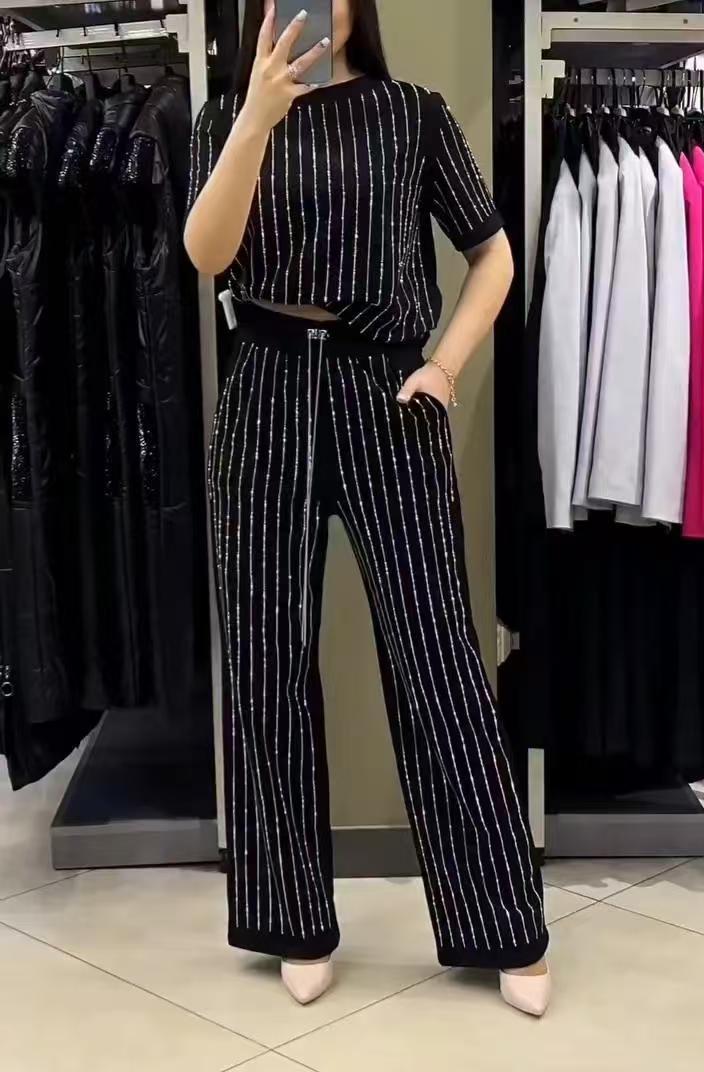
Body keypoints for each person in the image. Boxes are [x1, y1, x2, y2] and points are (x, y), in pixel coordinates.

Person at [184, 0, 550, 1017]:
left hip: (386, 388)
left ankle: (502, 922)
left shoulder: (413, 113)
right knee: (264, 658)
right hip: (264, 385)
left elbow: (492, 253)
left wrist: (445, 364)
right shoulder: (228, 114)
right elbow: (207, 254)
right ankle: (292, 917)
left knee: (438, 656)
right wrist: (257, 118)